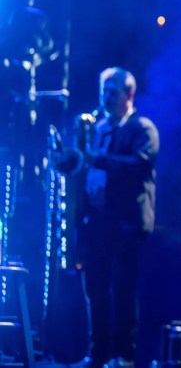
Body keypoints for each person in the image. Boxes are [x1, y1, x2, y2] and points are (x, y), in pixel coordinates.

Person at [59, 67, 158, 368]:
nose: (106, 97)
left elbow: (138, 166)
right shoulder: (99, 128)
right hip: (97, 222)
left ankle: (123, 356)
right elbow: (84, 167)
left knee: (123, 289)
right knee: (95, 289)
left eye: (113, 92)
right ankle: (98, 353)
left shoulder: (142, 128)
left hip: (127, 224)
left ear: (129, 96)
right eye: (104, 91)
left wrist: (94, 157)